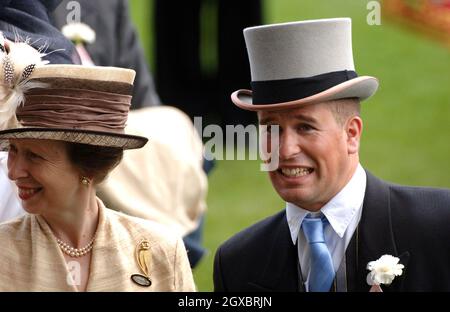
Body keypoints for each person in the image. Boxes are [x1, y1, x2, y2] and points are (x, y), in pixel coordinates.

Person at [213, 18, 450, 292]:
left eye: (305, 127)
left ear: (351, 134)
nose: (286, 149)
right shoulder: (236, 264)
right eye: (271, 128)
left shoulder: (440, 227)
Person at [0, 0, 208, 268]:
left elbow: (142, 95)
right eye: (10, 149)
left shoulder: (160, 253)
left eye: (34, 156)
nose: (13, 170)